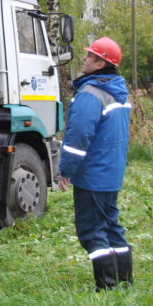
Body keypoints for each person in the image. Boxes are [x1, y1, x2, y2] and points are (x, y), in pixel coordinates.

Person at [56, 37, 133, 291]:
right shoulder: (118, 91)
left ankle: (107, 288)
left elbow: (78, 138)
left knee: (92, 231)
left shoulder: (90, 94)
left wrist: (66, 170)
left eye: (90, 56)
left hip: (93, 175)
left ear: (101, 63)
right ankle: (124, 282)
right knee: (111, 227)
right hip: (111, 173)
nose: (85, 58)